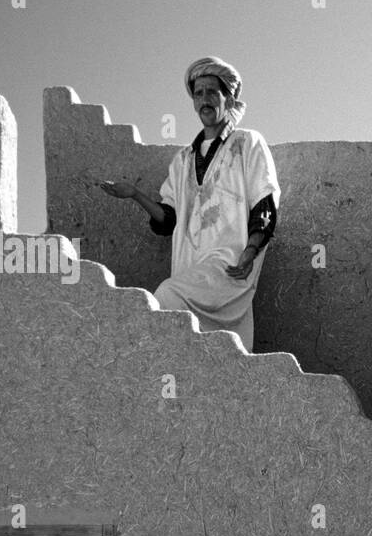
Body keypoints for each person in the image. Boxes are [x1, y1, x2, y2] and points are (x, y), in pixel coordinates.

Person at [99, 55, 279, 352]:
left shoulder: (247, 143)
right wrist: (134, 194)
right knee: (209, 345)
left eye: (212, 92)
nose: (204, 99)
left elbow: (265, 200)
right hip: (191, 264)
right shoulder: (182, 161)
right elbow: (168, 220)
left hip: (231, 262)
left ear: (229, 98)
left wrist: (250, 251)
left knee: (167, 295)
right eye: (199, 93)